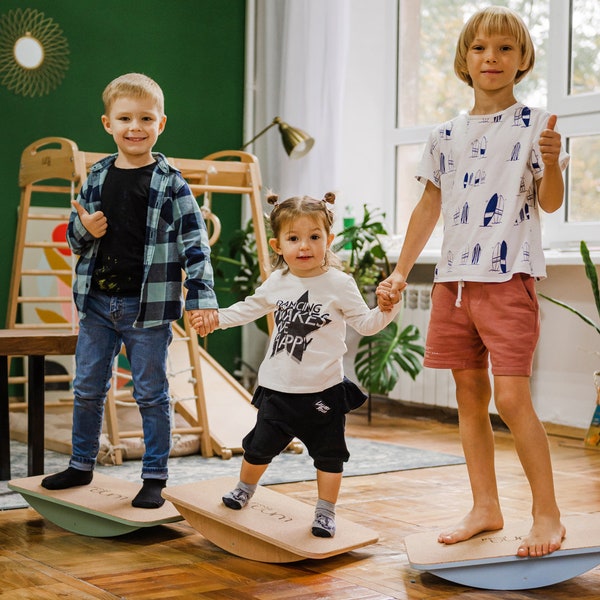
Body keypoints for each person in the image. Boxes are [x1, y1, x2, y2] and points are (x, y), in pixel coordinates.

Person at [377, 6, 569, 557]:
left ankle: (547, 514)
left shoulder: (538, 126)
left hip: (509, 279)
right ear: (465, 58)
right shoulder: (444, 135)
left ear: (523, 60)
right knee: (468, 397)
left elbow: (550, 202)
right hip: (453, 282)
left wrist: (552, 164)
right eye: (482, 48)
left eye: (506, 49)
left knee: (512, 400)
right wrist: (398, 271)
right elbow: (428, 206)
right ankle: (485, 506)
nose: (493, 58)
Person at [41, 73, 219, 508]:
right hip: (97, 305)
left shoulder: (172, 182)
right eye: (125, 118)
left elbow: (195, 244)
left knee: (151, 393)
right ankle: (82, 463)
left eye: (145, 118)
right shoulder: (98, 176)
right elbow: (74, 238)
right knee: (86, 387)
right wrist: (85, 229)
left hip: (149, 310)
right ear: (108, 123)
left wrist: (201, 299)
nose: (134, 127)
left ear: (161, 123)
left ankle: (154, 476)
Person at [191, 192, 400, 537]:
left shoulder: (339, 284)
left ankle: (325, 511)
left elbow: (366, 323)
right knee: (258, 447)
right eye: (293, 238)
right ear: (278, 245)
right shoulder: (278, 282)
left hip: (324, 391)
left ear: (328, 240)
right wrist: (217, 319)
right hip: (278, 389)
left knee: (330, 456)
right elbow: (249, 307)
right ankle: (244, 490)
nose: (304, 246)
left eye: (314, 237)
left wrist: (386, 307)